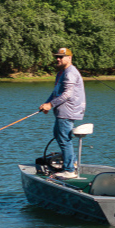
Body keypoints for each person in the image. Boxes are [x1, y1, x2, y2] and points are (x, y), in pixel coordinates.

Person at [39, 47, 86, 179]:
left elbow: (67, 94)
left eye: (61, 57)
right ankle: (72, 164)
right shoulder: (61, 72)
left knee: (64, 139)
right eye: (57, 57)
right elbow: (56, 92)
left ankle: (70, 170)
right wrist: (47, 104)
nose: (58, 59)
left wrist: (50, 104)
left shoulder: (70, 72)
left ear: (69, 58)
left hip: (68, 111)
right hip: (61, 111)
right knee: (60, 136)